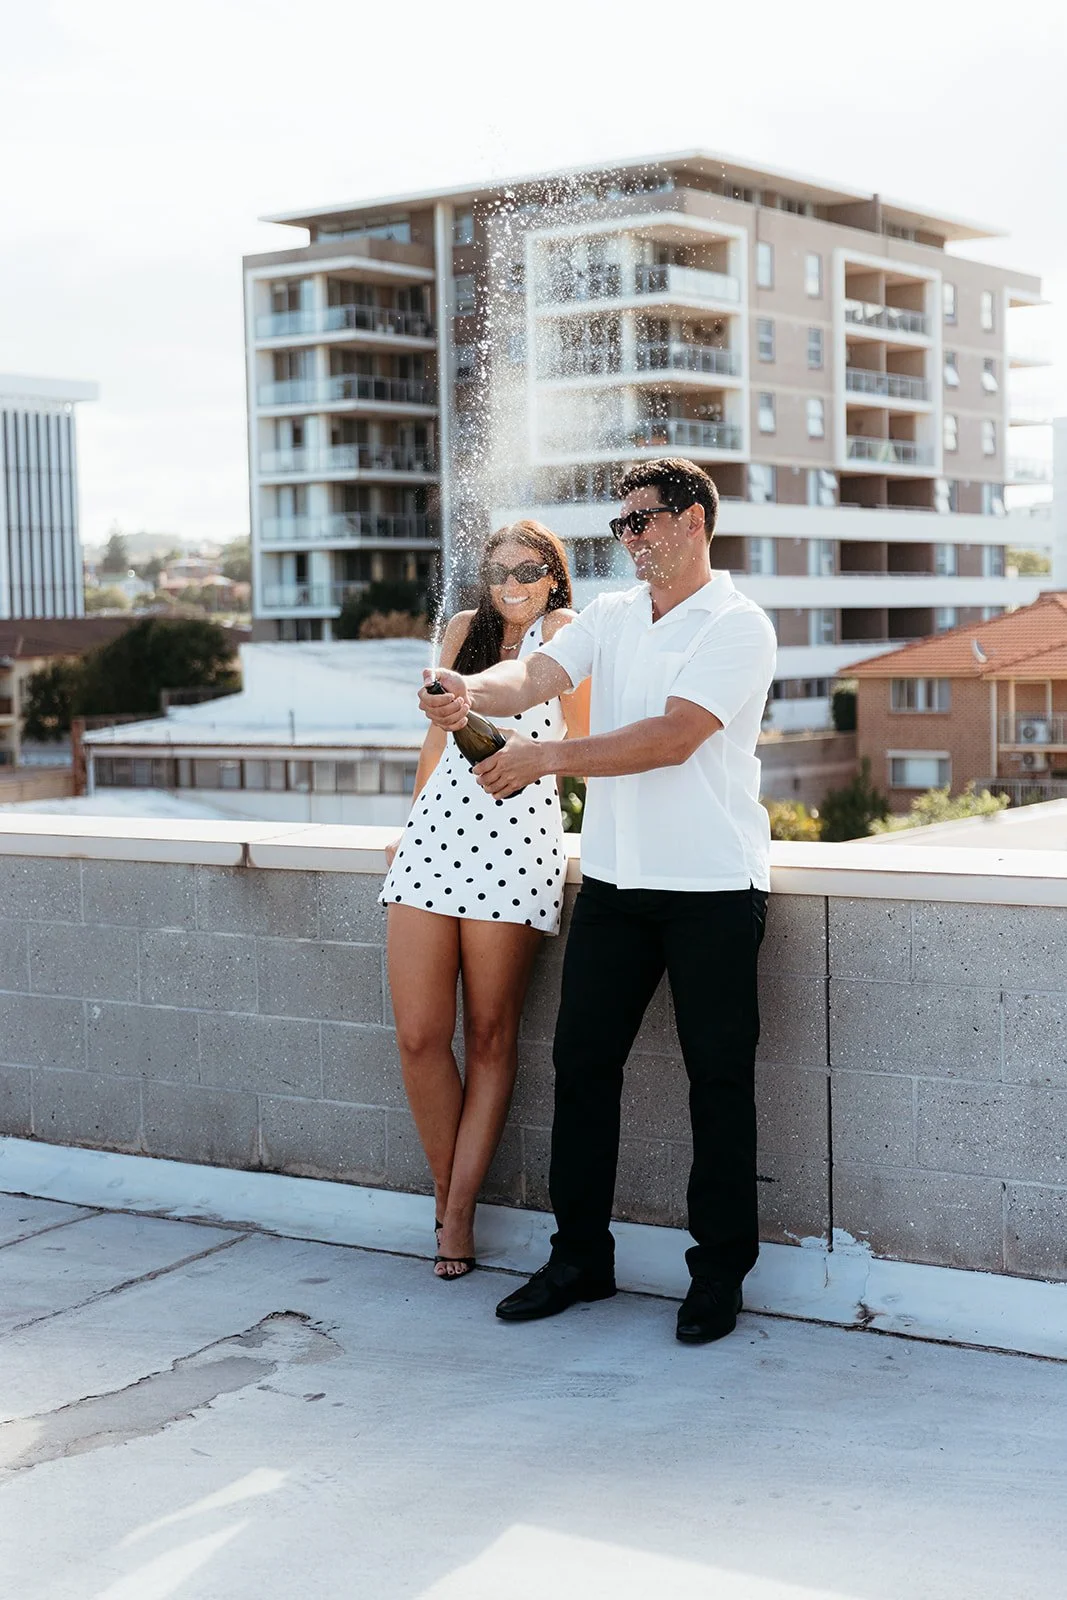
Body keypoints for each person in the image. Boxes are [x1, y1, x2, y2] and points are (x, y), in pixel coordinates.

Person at [419, 458, 776, 1343]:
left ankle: (718, 1277)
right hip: (616, 886)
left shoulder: (737, 624)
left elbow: (670, 738)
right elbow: (534, 680)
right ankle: (580, 1259)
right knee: (581, 1072)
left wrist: (540, 759)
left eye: (641, 522)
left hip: (713, 888)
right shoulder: (611, 616)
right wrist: (469, 689)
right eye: (619, 525)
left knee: (718, 1084)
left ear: (692, 520)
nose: (628, 539)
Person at [381, 521, 588, 1279]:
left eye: (529, 568)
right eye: (499, 568)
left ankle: (456, 1215)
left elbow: (584, 743)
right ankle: (448, 1190)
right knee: (420, 1036)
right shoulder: (463, 629)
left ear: (552, 574)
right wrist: (407, 828)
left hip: (516, 844)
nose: (512, 581)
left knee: (492, 1036)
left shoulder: (567, 632)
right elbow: (435, 747)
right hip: (435, 839)